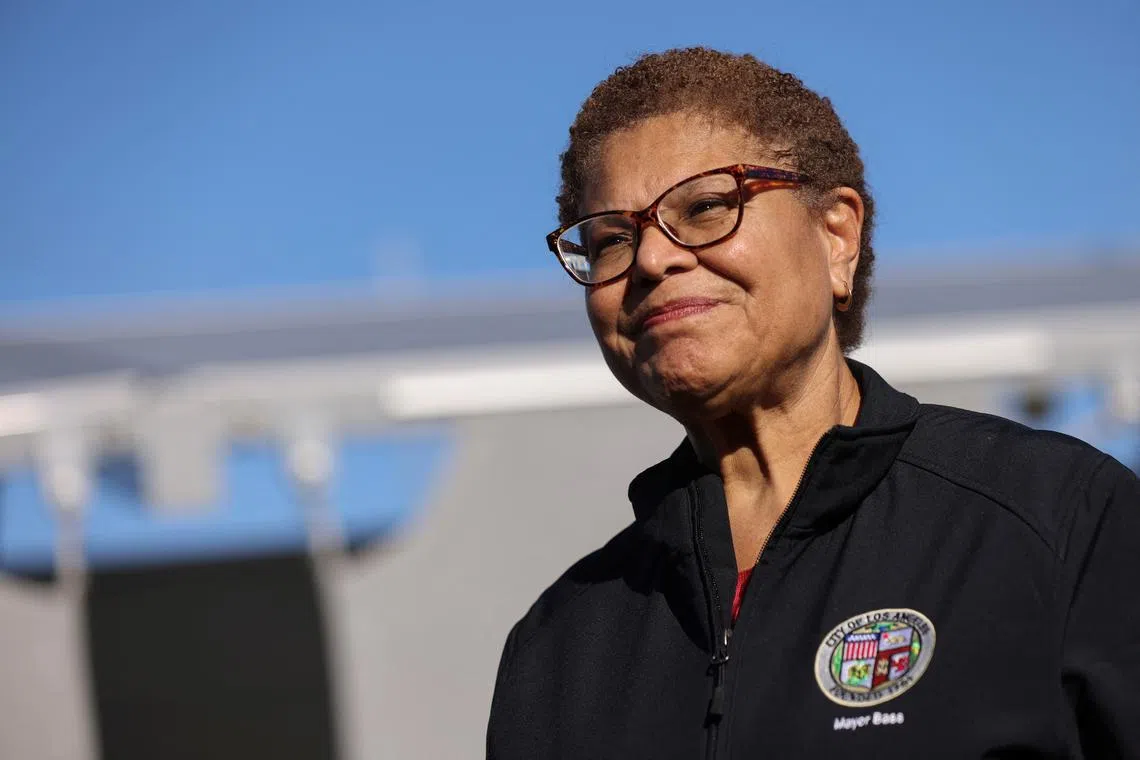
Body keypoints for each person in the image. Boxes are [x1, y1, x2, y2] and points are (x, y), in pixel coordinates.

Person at [487, 48, 1140, 759]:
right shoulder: (558, 649)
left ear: (836, 237)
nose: (651, 260)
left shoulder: (1055, 520)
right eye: (611, 239)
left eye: (706, 207)